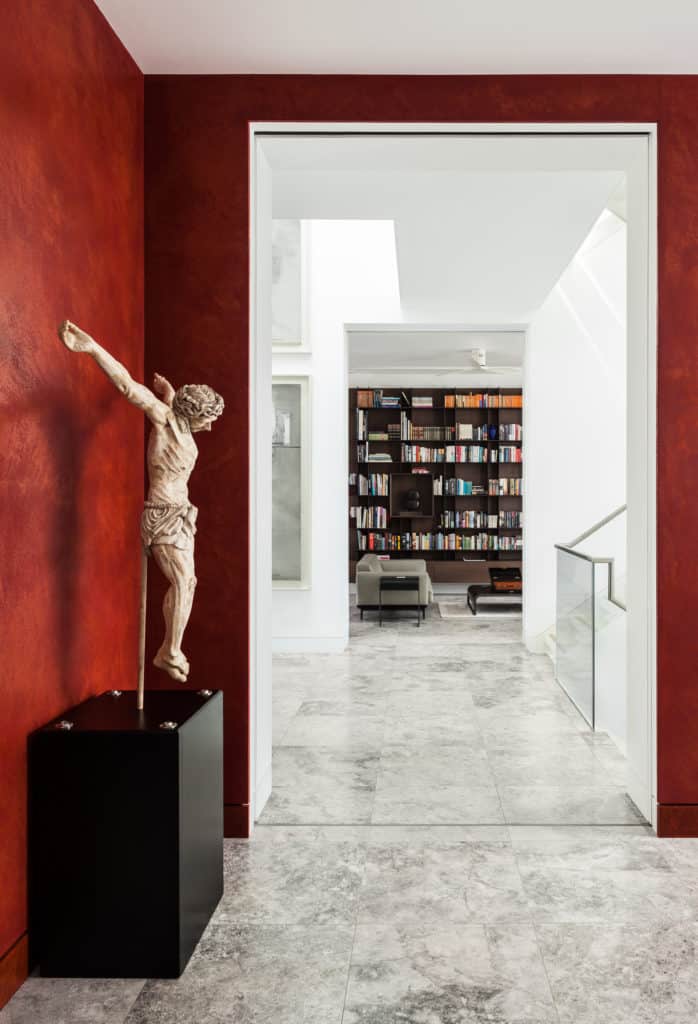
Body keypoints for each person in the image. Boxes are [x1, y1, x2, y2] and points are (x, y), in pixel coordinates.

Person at [58, 320, 224, 682]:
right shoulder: (163, 418)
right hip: (162, 514)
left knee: (188, 583)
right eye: (207, 419)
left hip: (181, 515)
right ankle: (170, 651)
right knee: (182, 583)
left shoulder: (175, 416)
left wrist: (172, 393)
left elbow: (177, 412)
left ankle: (170, 648)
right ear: (191, 414)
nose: (209, 427)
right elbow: (126, 384)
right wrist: (92, 347)